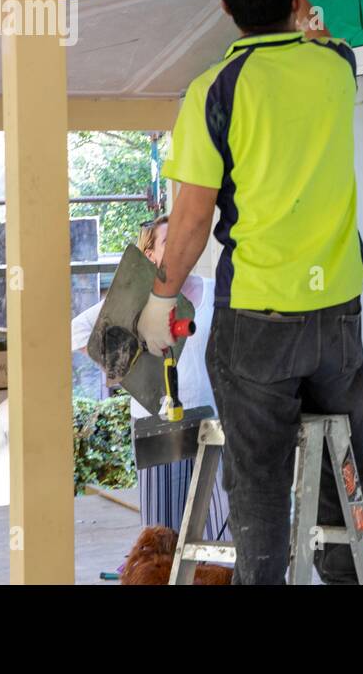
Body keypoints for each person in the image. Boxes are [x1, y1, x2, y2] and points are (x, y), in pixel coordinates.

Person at [136, 0, 363, 585]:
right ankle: (350, 574)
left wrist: (162, 298)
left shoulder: (214, 90)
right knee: (341, 468)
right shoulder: (337, 66)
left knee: (260, 480)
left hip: (261, 317)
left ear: (224, 8)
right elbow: (325, 35)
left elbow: (191, 218)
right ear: (296, 1)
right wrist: (302, 14)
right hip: (339, 314)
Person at [70, 215, 230, 541]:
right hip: (156, 423)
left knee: (221, 529)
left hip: (212, 421)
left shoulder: (217, 292)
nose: (179, 246)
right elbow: (78, 331)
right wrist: (124, 364)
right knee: (162, 536)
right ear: (151, 254)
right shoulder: (137, 299)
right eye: (167, 241)